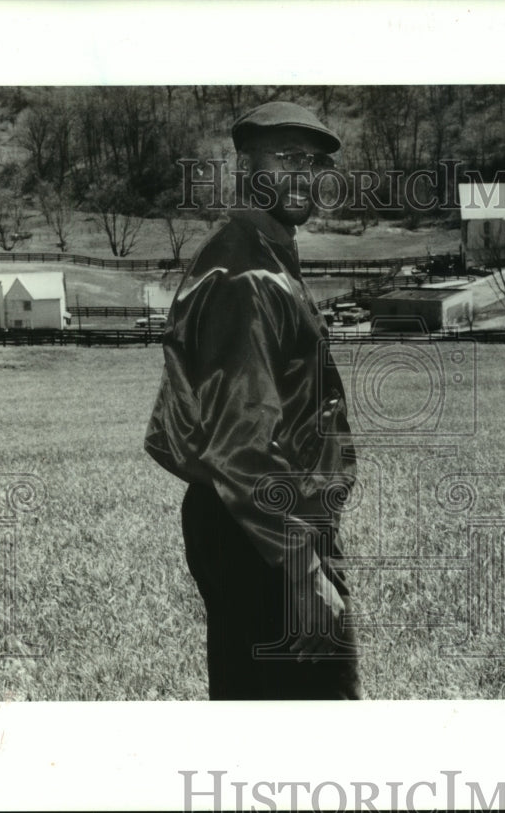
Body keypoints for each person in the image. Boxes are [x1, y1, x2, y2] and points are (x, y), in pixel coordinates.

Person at [145, 101, 361, 700]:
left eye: (315, 162)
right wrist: (304, 572)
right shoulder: (248, 278)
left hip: (260, 523)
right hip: (260, 530)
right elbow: (242, 446)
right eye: (287, 157)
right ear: (246, 166)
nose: (305, 174)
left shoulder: (262, 255)